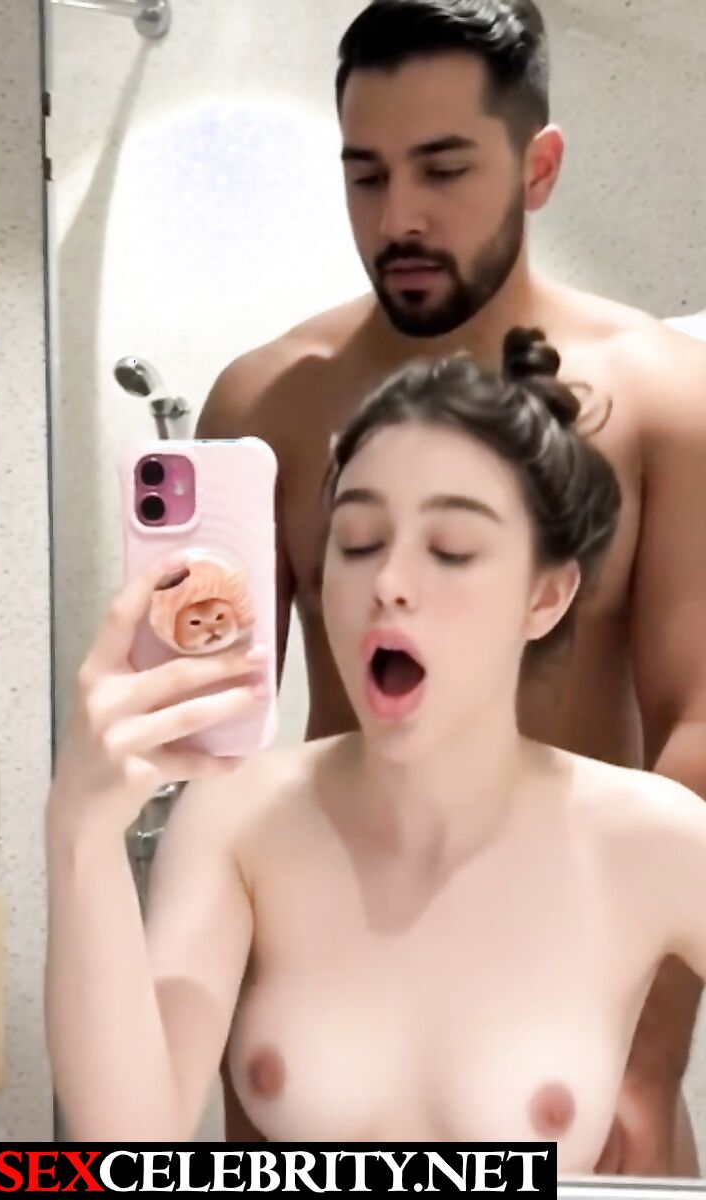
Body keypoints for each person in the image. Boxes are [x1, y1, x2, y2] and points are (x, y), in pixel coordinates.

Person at [196, 0, 706, 1174]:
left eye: (443, 169)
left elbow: (700, 725)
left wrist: (646, 1056)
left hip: (569, 1011)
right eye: (365, 175)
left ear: (539, 168)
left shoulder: (664, 397)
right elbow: (217, 749)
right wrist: (240, 1054)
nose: (399, 220)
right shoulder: (268, 403)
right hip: (335, 995)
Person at [45, 332, 706, 1175]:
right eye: (357, 541)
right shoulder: (240, 819)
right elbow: (125, 1156)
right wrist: (80, 833)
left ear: (545, 595)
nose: (387, 582)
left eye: (451, 549)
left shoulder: (652, 839)